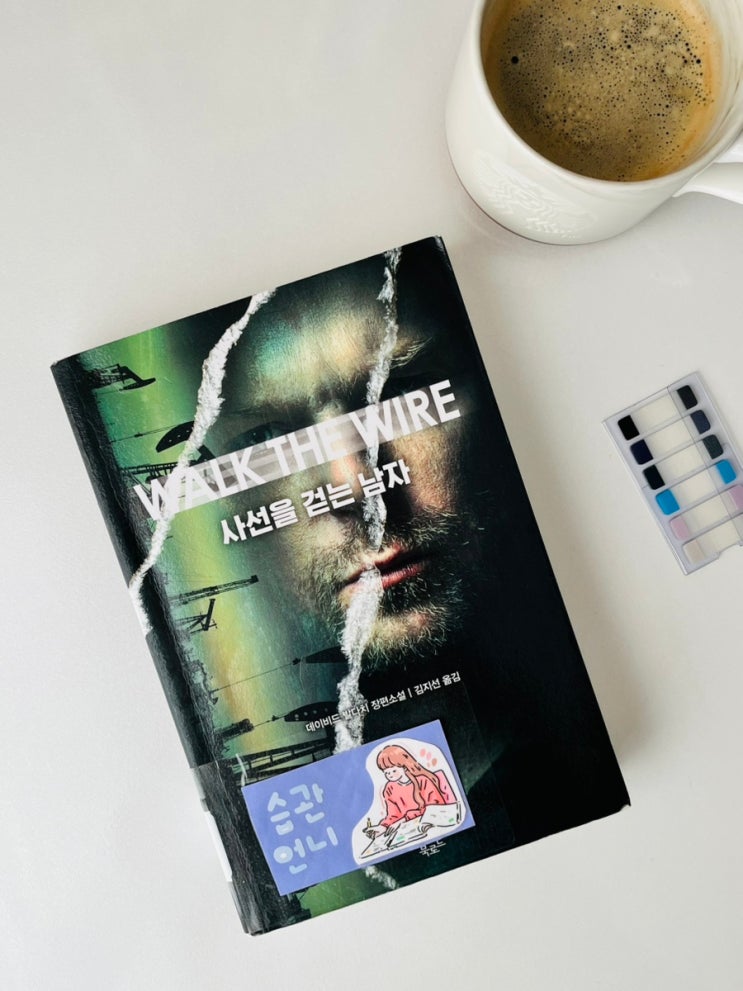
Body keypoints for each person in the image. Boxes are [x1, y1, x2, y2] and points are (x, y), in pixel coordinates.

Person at [365, 744, 451, 837]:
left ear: (404, 766)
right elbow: (393, 814)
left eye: (394, 771)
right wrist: (383, 826)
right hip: (409, 829)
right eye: (386, 772)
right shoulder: (389, 788)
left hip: (433, 826)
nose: (390, 775)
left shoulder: (423, 780)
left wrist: (405, 819)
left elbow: (434, 808)